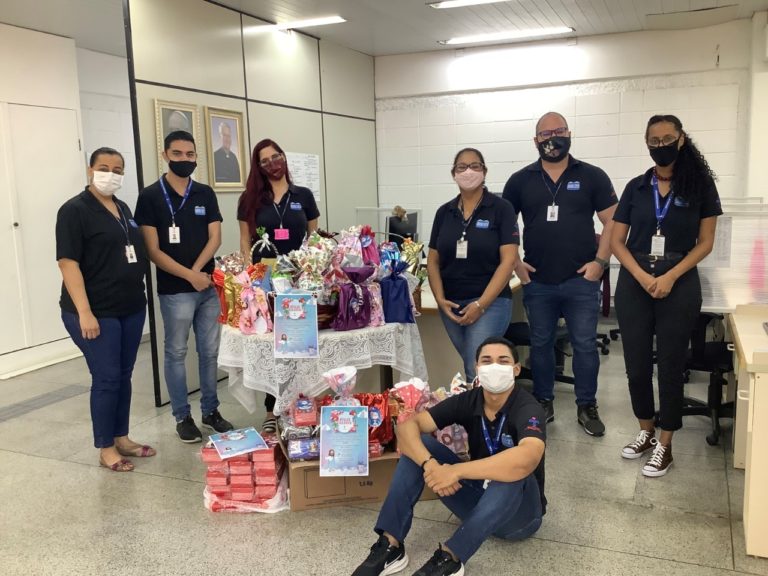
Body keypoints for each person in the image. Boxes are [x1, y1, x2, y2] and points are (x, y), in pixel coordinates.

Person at [351, 337, 546, 576]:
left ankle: (451, 556)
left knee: (514, 470)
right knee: (419, 445)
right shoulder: (469, 400)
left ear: (516, 370)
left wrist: (456, 471)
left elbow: (528, 457)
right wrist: (430, 464)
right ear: (477, 368)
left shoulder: (528, 407)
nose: (494, 366)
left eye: (502, 361)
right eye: (487, 361)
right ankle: (390, 545)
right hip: (476, 504)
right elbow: (408, 428)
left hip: (518, 517)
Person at [610, 115, 721, 477]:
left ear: (682, 139)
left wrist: (670, 276)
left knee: (671, 366)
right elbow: (615, 242)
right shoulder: (635, 187)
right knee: (636, 366)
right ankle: (645, 430)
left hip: (680, 279)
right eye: (653, 140)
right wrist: (642, 277)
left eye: (667, 138)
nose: (661, 145)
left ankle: (666, 444)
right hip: (635, 281)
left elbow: (705, 243)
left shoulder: (699, 185)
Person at [502, 111, 617, 436]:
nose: (552, 137)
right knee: (540, 345)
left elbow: (614, 220)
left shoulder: (592, 175)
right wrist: (516, 265)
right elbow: (505, 226)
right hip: (537, 282)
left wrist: (601, 262)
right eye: (545, 133)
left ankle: (586, 405)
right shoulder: (520, 180)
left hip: (581, 281)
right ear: (535, 140)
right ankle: (542, 402)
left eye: (559, 130)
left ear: (569, 134)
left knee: (583, 345)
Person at [56, 147, 155, 472]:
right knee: (107, 377)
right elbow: (68, 263)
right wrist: (84, 312)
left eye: (117, 169)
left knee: (123, 375)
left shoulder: (122, 207)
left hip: (129, 307)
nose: (110, 174)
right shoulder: (74, 210)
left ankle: (122, 436)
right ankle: (105, 447)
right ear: (90, 170)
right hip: (95, 311)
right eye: (103, 167)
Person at [135, 130, 234, 443]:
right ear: (165, 155)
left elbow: (215, 237)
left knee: (209, 352)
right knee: (176, 352)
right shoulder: (150, 196)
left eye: (190, 155)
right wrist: (189, 275)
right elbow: (152, 250)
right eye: (177, 154)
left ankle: (210, 411)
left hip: (207, 287)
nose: (184, 160)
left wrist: (198, 272)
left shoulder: (204, 193)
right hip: (175, 291)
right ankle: (182, 416)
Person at [238, 138, 320, 433]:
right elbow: (246, 242)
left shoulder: (304, 195)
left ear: (284, 158)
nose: (273, 163)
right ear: (258, 167)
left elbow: (314, 239)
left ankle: (303, 402)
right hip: (267, 279)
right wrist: (251, 280)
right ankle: (272, 409)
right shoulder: (250, 199)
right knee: (274, 346)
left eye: (276, 157)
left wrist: (314, 269)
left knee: (300, 342)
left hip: (300, 277)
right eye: (265, 161)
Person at [427, 147, 518, 384]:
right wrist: (439, 299)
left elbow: (509, 260)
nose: (468, 171)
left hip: (491, 302)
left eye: (475, 166)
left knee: (475, 368)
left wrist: (481, 304)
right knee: (474, 365)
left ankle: (483, 420)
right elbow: (433, 261)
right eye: (462, 167)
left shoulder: (501, 209)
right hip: (452, 304)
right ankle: (482, 414)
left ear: (485, 171)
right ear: (453, 174)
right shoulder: (444, 212)